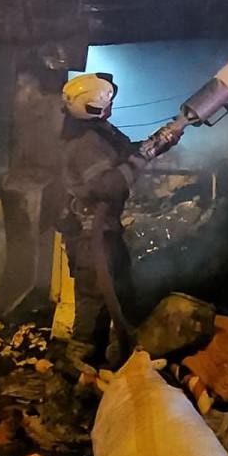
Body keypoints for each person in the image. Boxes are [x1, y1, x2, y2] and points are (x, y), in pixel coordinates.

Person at [57, 73, 176, 368]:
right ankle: (78, 367)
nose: (111, 106)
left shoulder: (97, 131)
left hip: (106, 232)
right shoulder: (85, 143)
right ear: (94, 107)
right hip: (91, 237)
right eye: (107, 102)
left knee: (120, 293)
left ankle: (119, 360)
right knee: (94, 300)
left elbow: (127, 153)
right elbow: (108, 185)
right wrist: (141, 158)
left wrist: (157, 143)